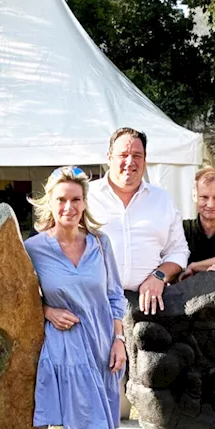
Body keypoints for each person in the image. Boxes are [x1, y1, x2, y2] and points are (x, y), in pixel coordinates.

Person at [26, 166, 158, 429]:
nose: (68, 206)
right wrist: (46, 309)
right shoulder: (33, 248)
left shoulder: (100, 243)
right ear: (49, 202)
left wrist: (119, 340)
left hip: (104, 352)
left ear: (85, 203)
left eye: (76, 199)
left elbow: (116, 296)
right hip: (66, 354)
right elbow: (17, 299)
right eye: (61, 199)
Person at [87, 127, 189, 315]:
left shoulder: (162, 199)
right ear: (109, 157)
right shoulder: (86, 196)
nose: (130, 162)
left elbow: (178, 251)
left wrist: (159, 276)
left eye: (137, 155)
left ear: (145, 158)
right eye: (123, 155)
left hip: (146, 309)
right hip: (93, 305)